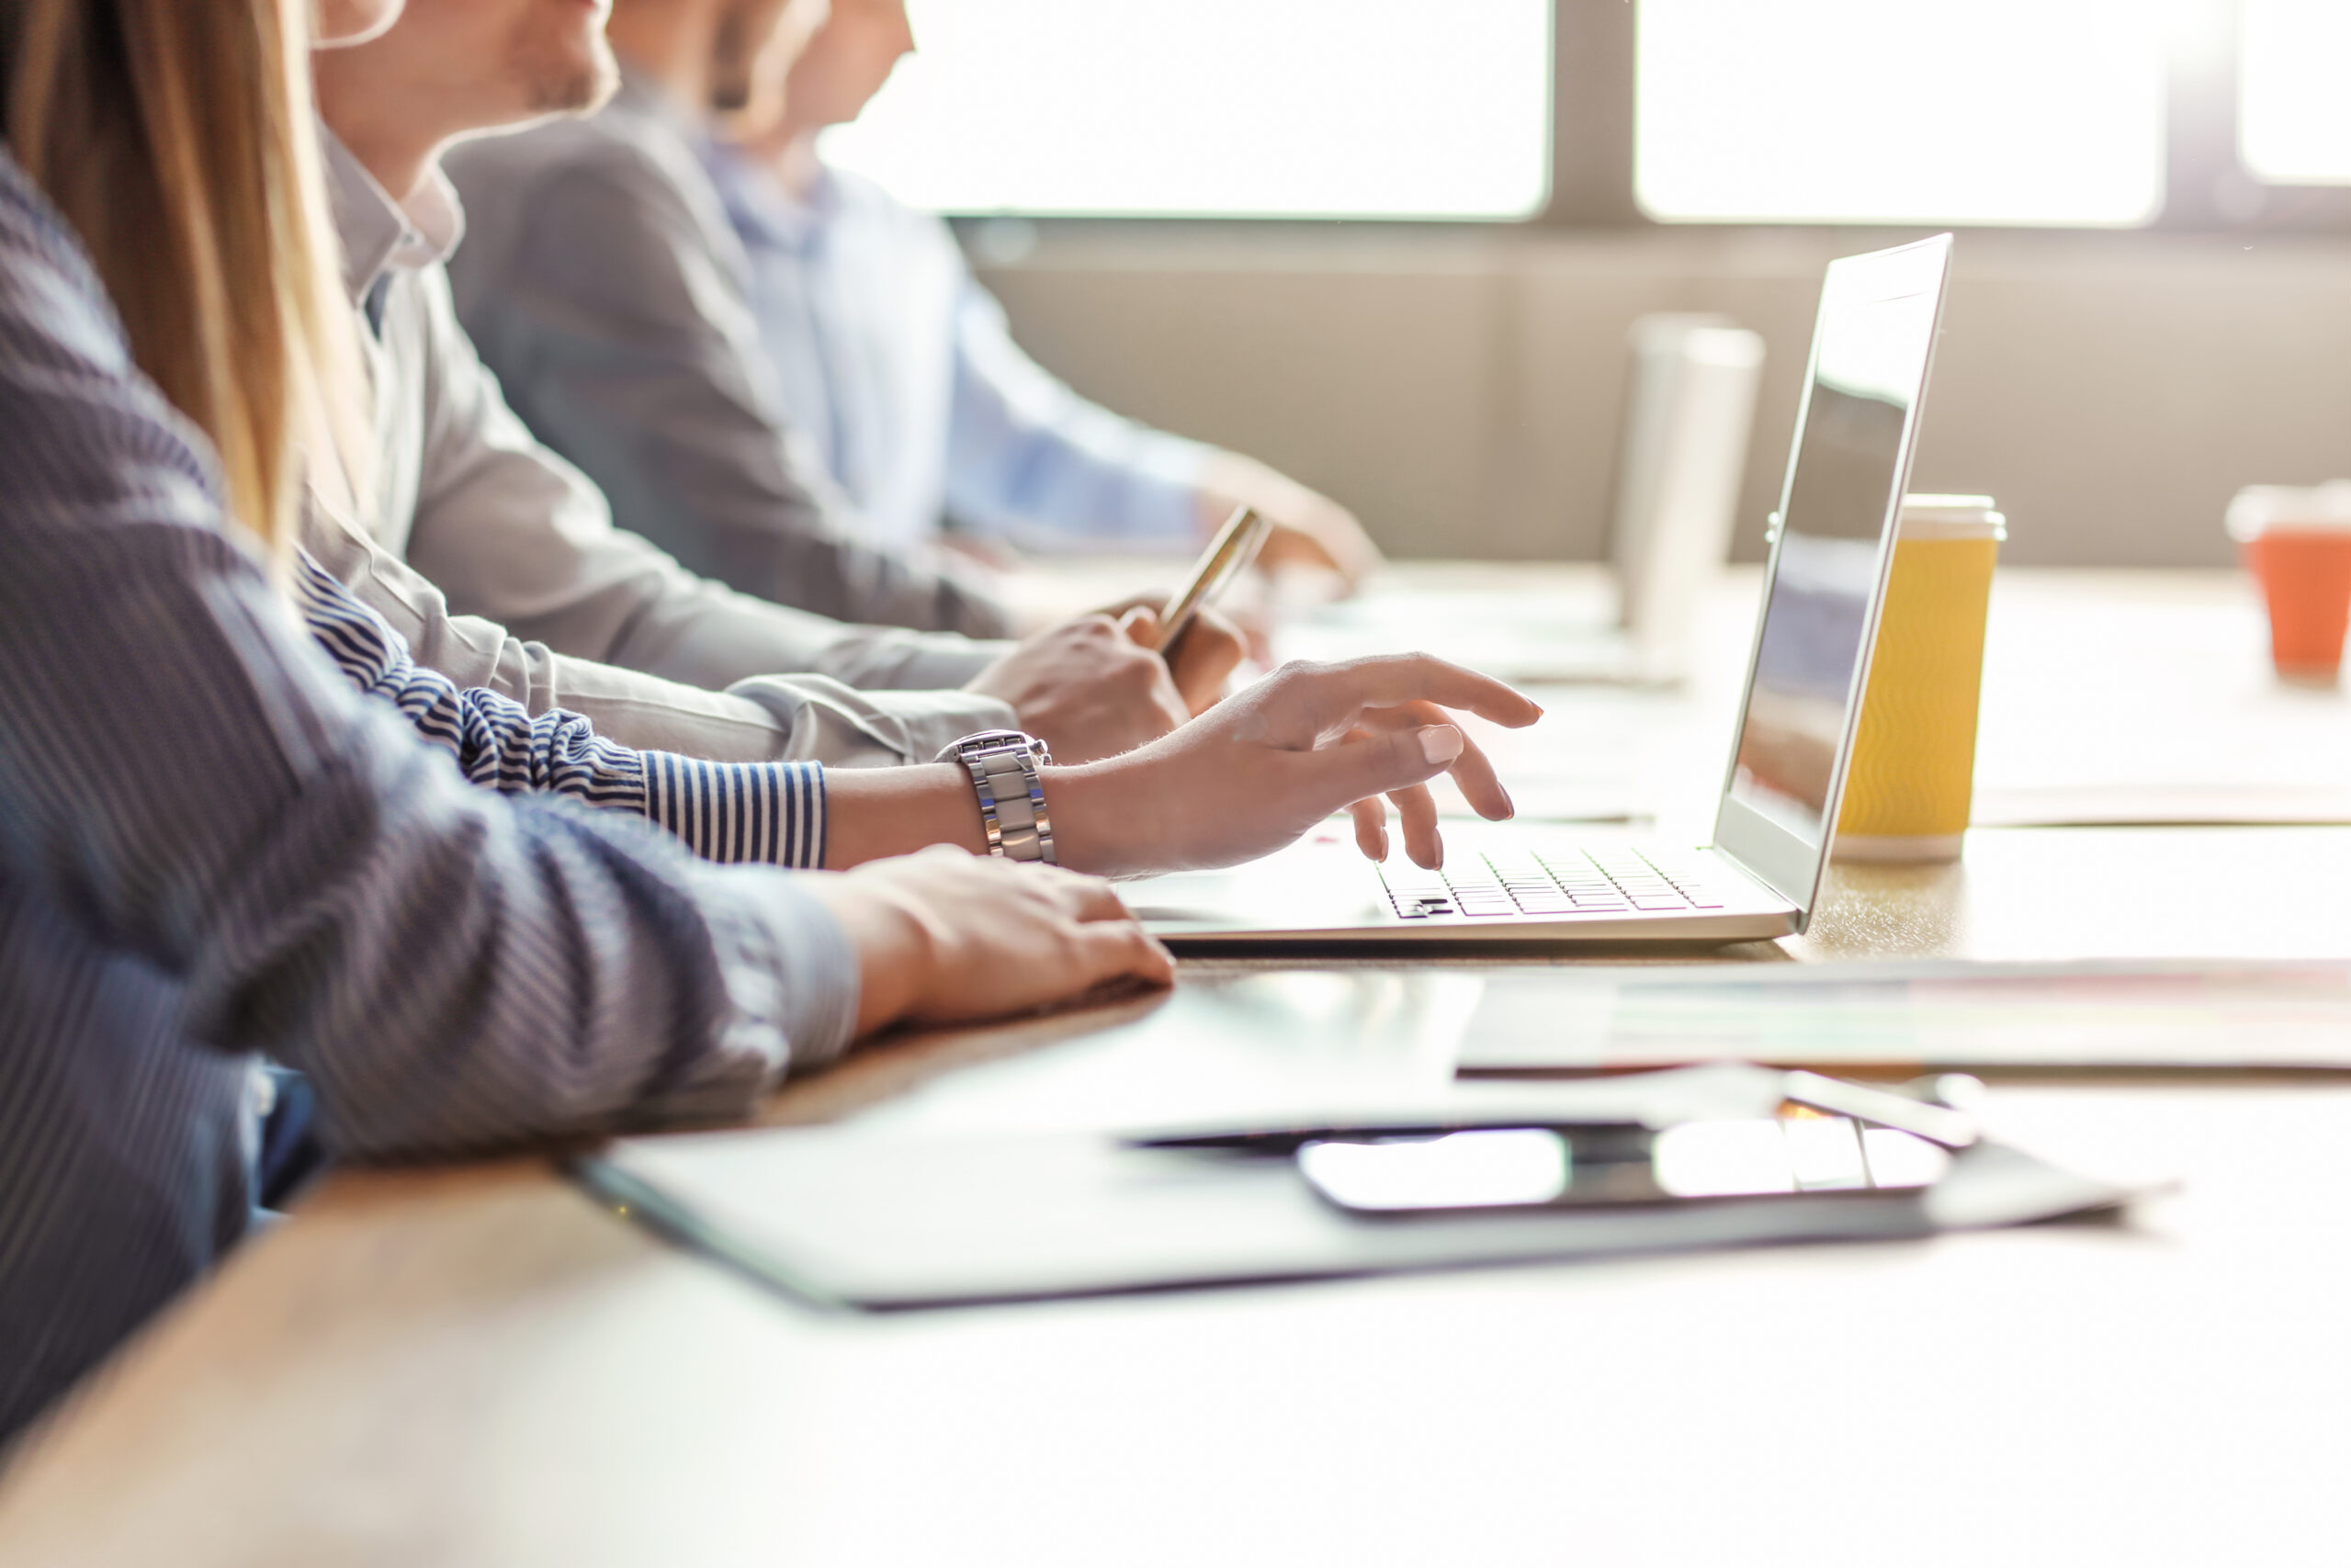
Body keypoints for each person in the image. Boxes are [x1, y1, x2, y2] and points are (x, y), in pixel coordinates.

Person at [0, 0, 1536, 1450]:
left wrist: (1053, 783)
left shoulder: (210, 262)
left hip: (177, 1313)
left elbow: (458, 722)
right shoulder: (75, 295)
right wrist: (934, 879)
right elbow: (436, 926)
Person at [308, 0, 1243, 773]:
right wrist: (978, 732)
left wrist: (1029, 684)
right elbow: (445, 695)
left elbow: (618, 615)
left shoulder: (405, 258)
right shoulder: (584, 178)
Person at [715, 0, 1385, 582]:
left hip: (880, 649)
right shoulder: (671, 220)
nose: (907, 42)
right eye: (874, 5)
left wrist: (1236, 505)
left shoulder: (893, 238)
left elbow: (1022, 457)